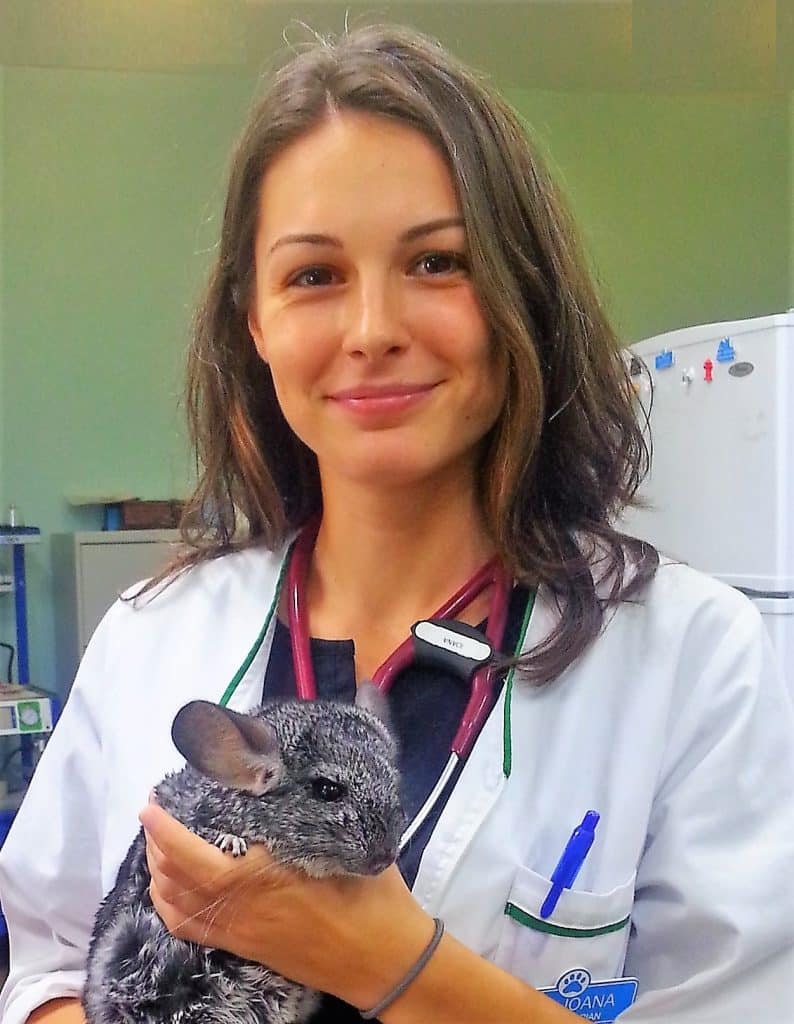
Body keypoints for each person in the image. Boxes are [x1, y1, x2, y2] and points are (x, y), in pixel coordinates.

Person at [1, 23, 793, 1024]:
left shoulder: (692, 660)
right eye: (314, 275)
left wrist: (392, 965)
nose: (373, 330)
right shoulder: (152, 636)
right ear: (255, 322)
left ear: (523, 292)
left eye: (436, 262)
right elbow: (45, 968)